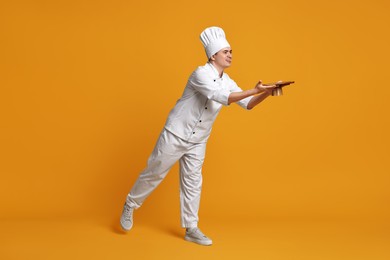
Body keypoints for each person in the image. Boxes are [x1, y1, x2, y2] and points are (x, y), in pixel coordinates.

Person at [120, 26, 278, 246]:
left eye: (231, 51)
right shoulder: (200, 73)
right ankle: (130, 204)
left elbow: (247, 104)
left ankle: (191, 228)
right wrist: (254, 89)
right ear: (213, 55)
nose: (230, 54)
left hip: (198, 140)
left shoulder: (228, 80)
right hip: (175, 133)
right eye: (226, 51)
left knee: (193, 183)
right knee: (154, 172)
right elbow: (223, 97)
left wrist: (266, 93)